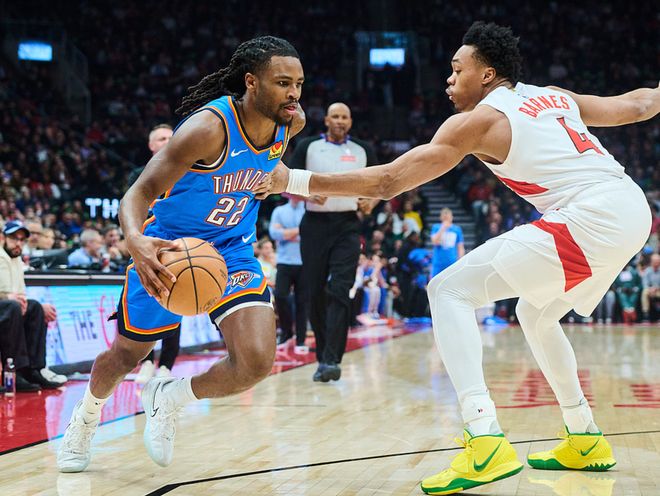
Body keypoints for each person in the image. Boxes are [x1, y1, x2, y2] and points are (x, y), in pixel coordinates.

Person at [261, 21, 659, 494]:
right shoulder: (553, 96)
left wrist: (293, 180)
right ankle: (584, 436)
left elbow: (388, 182)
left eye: (457, 69)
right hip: (632, 207)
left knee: (448, 290)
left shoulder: (479, 120)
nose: (448, 80)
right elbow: (639, 105)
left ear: (487, 74)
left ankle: (484, 437)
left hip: (592, 215)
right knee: (535, 315)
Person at [57, 36, 305, 473]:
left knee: (254, 362)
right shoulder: (207, 129)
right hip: (170, 249)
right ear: (251, 82)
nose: (294, 94)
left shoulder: (291, 123)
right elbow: (139, 193)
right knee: (127, 355)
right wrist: (135, 240)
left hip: (232, 250)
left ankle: (169, 397)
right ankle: (86, 416)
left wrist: (272, 178)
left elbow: (267, 165)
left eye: (299, 84)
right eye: (283, 83)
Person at [288, 102, 379, 383]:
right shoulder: (308, 146)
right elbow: (286, 181)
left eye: (344, 117)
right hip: (314, 225)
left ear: (350, 122)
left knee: (340, 289)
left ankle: (332, 359)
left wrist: (372, 202)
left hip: (348, 226)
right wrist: (306, 193)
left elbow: (381, 184)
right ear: (326, 120)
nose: (340, 121)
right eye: (335, 116)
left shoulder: (363, 150)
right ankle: (322, 357)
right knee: (314, 291)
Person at [134, 125, 179, 384]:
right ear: (151, 146)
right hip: (145, 246)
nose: (168, 141)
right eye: (162, 138)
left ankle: (167, 366)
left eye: (172, 137)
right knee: (146, 305)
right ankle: (147, 361)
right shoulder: (139, 175)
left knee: (177, 302)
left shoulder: (188, 171)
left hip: (176, 248)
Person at [0, 221, 65, 391]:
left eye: (22, 240)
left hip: (9, 308)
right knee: (13, 307)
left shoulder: (16, 260)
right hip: (6, 307)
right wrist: (8, 297)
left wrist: (25, 302)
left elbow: (20, 294)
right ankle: (16, 371)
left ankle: (34, 369)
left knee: (35, 307)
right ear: (3, 238)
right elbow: (8, 297)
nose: (18, 243)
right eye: (14, 238)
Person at [268, 194, 307, 352]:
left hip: (304, 261)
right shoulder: (279, 211)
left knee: (302, 302)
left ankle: (301, 339)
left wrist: (286, 233)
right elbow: (274, 234)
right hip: (284, 261)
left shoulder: (308, 210)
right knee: (280, 295)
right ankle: (287, 332)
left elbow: (311, 234)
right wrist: (299, 231)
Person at [430, 207, 465, 277]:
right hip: (438, 263)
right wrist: (442, 228)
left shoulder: (457, 229)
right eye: (444, 217)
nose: (446, 218)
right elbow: (434, 242)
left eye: (447, 216)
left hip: (452, 262)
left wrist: (460, 260)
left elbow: (460, 247)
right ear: (441, 218)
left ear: (451, 217)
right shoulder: (436, 227)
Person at [641, 253, 660, 322]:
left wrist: (656, 288)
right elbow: (644, 283)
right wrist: (650, 289)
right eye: (655, 261)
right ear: (651, 262)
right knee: (644, 292)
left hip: (658, 290)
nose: (656, 263)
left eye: (658, 261)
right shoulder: (647, 270)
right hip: (650, 290)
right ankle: (646, 314)